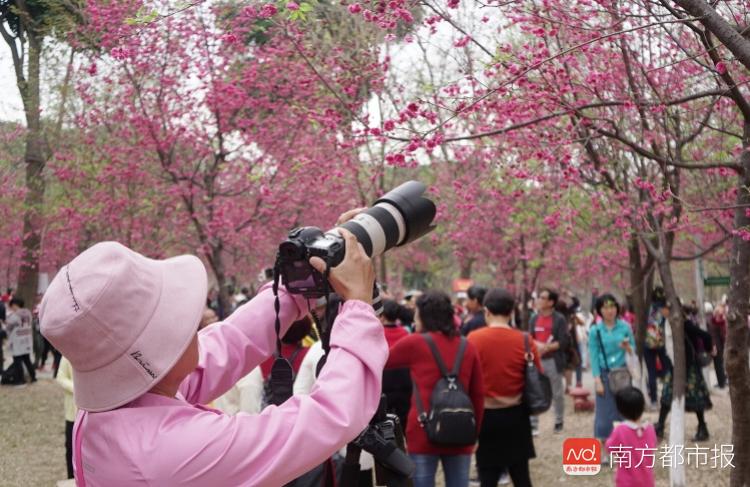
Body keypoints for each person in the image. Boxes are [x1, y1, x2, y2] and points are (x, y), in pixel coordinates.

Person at [39, 223, 388, 486]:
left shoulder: (117, 406)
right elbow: (325, 418)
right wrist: (357, 306)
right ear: (162, 346)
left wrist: (299, 284)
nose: (196, 320)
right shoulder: (169, 451)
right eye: (180, 317)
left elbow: (227, 345)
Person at [386, 290, 484, 487]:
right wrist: (475, 433)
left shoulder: (415, 342)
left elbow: (383, 361)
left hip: (423, 430)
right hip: (461, 430)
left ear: (423, 315)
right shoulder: (468, 346)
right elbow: (478, 395)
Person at [468, 288, 540, 487]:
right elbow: (537, 375)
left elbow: (467, 377)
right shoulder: (525, 340)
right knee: (521, 475)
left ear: (486, 311)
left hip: (485, 416)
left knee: (487, 476)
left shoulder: (474, 339)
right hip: (517, 415)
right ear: (511, 312)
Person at [654, 304, 715, 441]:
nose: (661, 310)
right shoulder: (667, 322)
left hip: (689, 367)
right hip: (675, 367)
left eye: (663, 307)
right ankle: (660, 425)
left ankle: (702, 428)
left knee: (696, 399)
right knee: (667, 396)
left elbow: (705, 336)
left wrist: (709, 349)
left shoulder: (683, 323)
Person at [588, 294, 635, 446]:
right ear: (599, 310)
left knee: (624, 410)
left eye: (612, 306)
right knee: (604, 414)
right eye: (605, 307)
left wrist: (628, 347)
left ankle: (624, 445)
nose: (610, 311)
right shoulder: (596, 331)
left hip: (622, 374)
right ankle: (605, 448)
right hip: (604, 374)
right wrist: (597, 380)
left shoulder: (625, 327)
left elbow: (633, 349)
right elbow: (594, 356)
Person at [529, 288, 569, 433]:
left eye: (543, 297)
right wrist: (536, 346)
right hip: (536, 360)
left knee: (557, 393)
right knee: (534, 391)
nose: (539, 300)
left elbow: (563, 341)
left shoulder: (559, 319)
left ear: (551, 302)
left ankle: (559, 421)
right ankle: (534, 424)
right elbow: (530, 337)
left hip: (553, 360)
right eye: (539, 297)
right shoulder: (534, 318)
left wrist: (547, 347)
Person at [605, 387, 656, 487]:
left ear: (620, 410)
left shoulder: (620, 430)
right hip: (647, 481)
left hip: (626, 482)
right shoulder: (649, 428)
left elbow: (609, 447)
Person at [643, 294, 672, 409]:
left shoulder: (645, 309)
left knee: (651, 372)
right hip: (661, 343)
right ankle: (667, 397)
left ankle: (654, 400)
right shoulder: (664, 309)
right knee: (666, 370)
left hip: (647, 343)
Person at [56, 356, 77, 479]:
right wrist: (76, 388)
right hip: (73, 412)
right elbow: (60, 377)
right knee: (70, 447)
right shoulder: (67, 354)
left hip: (93, 412)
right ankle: (71, 478)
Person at [6, 297, 36, 384]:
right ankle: (33, 377)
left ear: (15, 305)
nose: (11, 308)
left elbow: (8, 328)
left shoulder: (14, 316)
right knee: (27, 360)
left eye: (11, 306)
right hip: (26, 339)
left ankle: (20, 380)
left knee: (17, 361)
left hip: (17, 341)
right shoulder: (28, 313)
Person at [709, 303, 727, 389]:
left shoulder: (718, 322)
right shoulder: (716, 321)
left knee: (718, 364)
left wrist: (714, 346)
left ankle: (721, 382)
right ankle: (721, 381)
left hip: (718, 346)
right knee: (718, 364)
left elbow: (720, 335)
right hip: (718, 345)